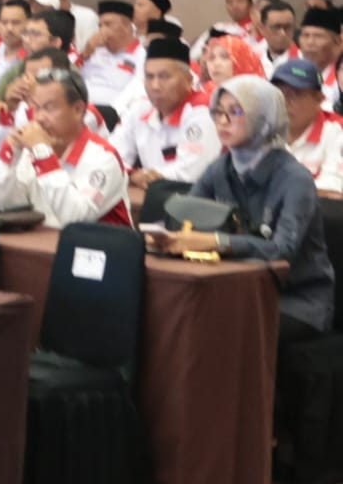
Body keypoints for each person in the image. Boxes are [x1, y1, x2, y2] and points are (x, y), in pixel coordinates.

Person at [151, 76, 335, 347]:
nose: (222, 121)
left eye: (235, 112)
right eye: (218, 112)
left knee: (216, 326)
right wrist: (166, 236)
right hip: (236, 287)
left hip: (297, 300)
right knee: (172, 312)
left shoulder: (294, 178)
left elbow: (282, 249)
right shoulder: (221, 167)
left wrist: (218, 242)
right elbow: (185, 215)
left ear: (265, 119)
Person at [0, 67, 131, 228]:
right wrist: (9, 156)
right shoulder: (30, 151)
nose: (39, 118)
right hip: (41, 240)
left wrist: (43, 155)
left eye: (49, 108)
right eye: (35, 108)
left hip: (97, 242)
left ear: (78, 110)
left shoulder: (104, 157)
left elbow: (76, 219)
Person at [111, 36, 221, 188]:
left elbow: (191, 174)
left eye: (164, 77)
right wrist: (131, 175)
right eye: (149, 77)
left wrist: (141, 176)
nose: (155, 86)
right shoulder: (139, 109)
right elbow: (112, 157)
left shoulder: (203, 112)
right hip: (152, 192)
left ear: (189, 80)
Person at [272, 59, 343, 196]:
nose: (285, 102)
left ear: (319, 99)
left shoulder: (337, 131)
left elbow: (333, 190)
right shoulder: (262, 127)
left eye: (294, 94)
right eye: (279, 94)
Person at [81, 0, 146, 108]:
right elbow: (73, 80)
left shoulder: (142, 56)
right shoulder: (95, 51)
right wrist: (86, 53)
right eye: (100, 26)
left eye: (108, 24)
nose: (102, 30)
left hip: (113, 112)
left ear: (127, 27)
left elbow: (137, 94)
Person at [297, 7, 343, 107]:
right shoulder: (292, 68)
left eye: (318, 36)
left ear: (337, 41)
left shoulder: (340, 75)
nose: (310, 42)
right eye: (305, 35)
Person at [255, 0, 300, 71]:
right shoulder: (252, 59)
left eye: (287, 27)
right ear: (262, 29)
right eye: (276, 27)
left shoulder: (304, 62)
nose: (283, 33)